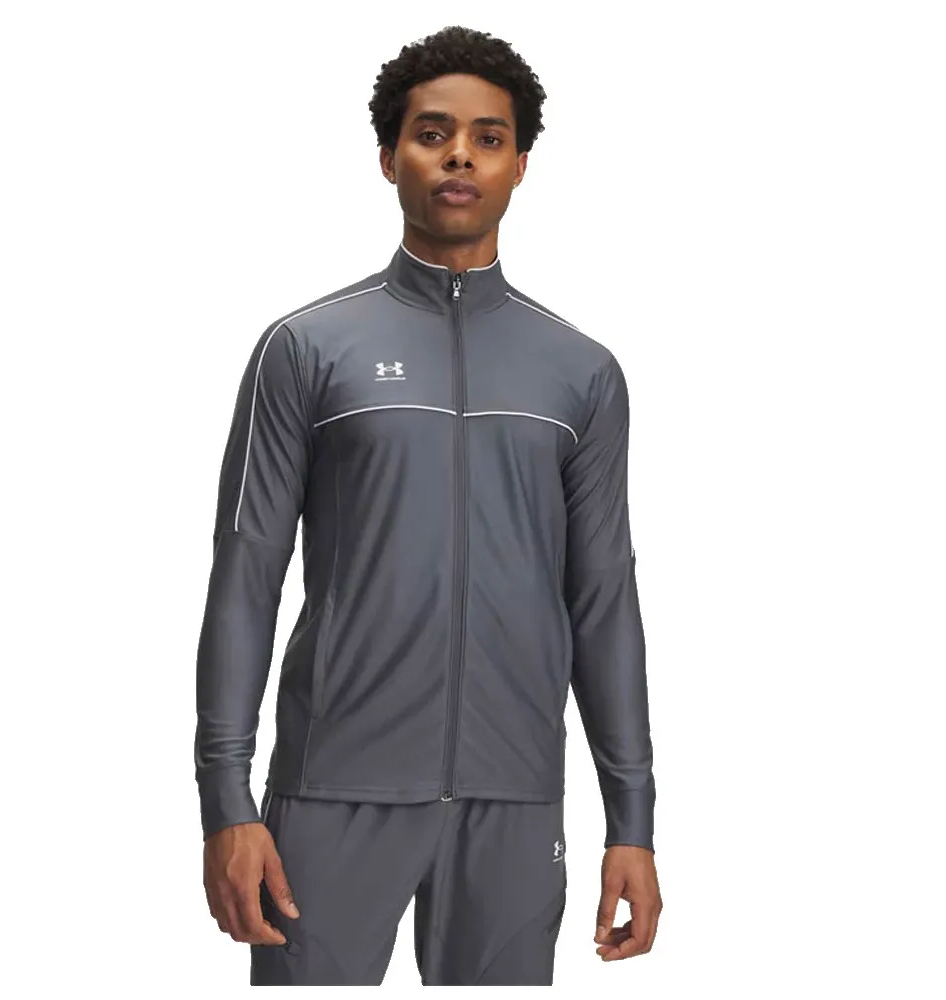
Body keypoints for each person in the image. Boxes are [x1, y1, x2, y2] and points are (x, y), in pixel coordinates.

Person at [194, 25, 662, 986]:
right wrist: (226, 803)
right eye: (433, 133)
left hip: (516, 799)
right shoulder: (306, 348)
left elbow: (604, 602)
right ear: (388, 157)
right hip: (331, 791)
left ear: (520, 166)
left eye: (489, 138)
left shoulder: (581, 372)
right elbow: (245, 578)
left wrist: (633, 823)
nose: (460, 157)